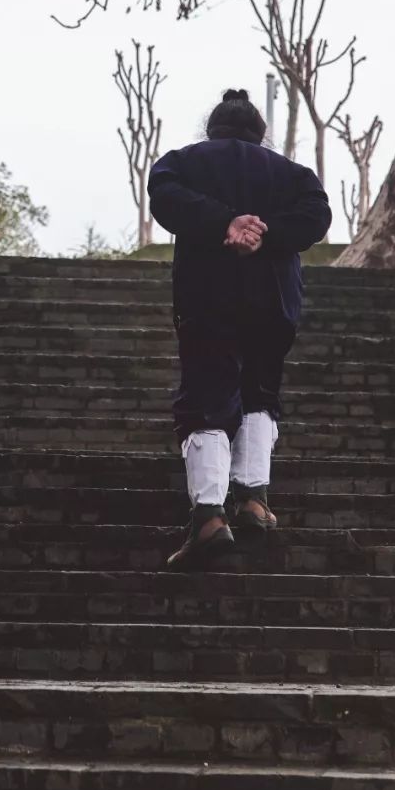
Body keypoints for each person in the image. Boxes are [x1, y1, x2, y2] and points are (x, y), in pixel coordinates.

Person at [147, 88, 332, 570]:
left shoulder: (182, 162)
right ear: (258, 131)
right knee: (260, 391)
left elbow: (164, 195)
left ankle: (209, 516)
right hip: (273, 300)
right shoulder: (293, 175)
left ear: (213, 129)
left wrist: (225, 223)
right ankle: (254, 498)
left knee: (206, 397)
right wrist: (264, 230)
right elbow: (316, 215)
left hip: (208, 297)